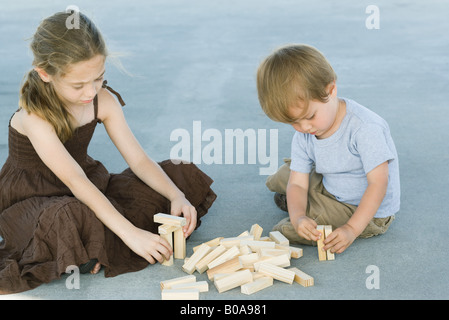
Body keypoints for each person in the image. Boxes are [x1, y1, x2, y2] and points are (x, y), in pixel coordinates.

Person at [0, 11, 216, 294]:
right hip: (35, 199)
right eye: (78, 85)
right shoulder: (34, 117)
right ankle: (92, 242)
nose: (91, 91)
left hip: (88, 184)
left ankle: (92, 243)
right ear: (45, 73)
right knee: (68, 214)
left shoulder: (103, 100)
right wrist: (132, 235)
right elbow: (75, 181)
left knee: (178, 172)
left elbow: (138, 159)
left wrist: (176, 195)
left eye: (98, 78)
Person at [256, 44, 400, 255]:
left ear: (331, 90)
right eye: (294, 122)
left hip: (363, 208)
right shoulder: (305, 132)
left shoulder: (365, 128)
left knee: (286, 230)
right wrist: (298, 217)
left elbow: (378, 184)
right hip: (330, 183)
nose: (304, 128)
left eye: (310, 116)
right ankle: (301, 205)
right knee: (287, 176)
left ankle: (308, 208)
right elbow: (297, 182)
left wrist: (351, 229)